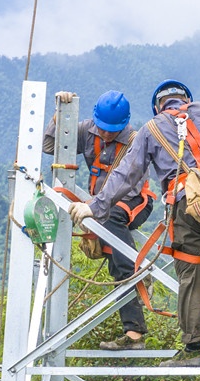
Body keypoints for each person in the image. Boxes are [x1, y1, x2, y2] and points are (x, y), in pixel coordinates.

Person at [67, 79, 200, 371]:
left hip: (187, 202)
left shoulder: (151, 129)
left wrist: (94, 207)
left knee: (192, 275)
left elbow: (125, 175)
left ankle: (192, 349)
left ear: (158, 106)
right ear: (186, 99)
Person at [43, 89, 155, 351]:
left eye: (112, 130)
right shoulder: (87, 131)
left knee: (117, 233)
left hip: (134, 202)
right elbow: (49, 147)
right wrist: (60, 116)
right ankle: (134, 332)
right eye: (102, 128)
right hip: (98, 207)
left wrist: (95, 207)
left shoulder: (136, 141)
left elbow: (130, 187)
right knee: (118, 266)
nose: (105, 134)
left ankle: (137, 273)